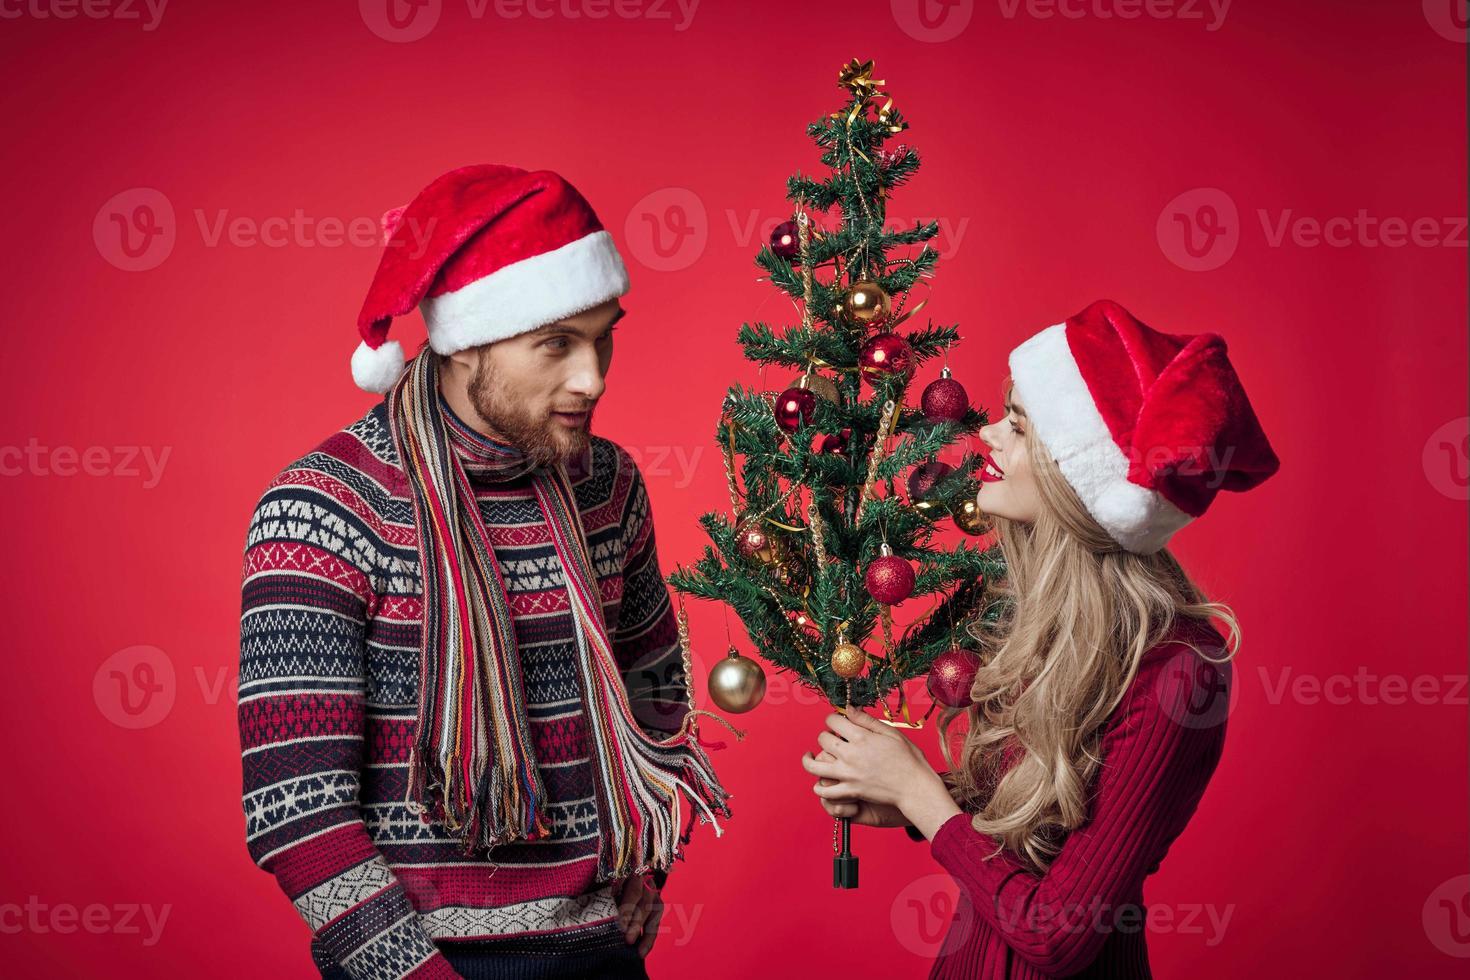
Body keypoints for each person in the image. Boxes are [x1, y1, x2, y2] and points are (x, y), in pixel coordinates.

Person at [238, 164, 731, 980]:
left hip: (600, 954)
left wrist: (644, 863)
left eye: (605, 334)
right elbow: (296, 816)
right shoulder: (326, 505)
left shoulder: (606, 483)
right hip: (418, 964)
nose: (594, 376)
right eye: (557, 345)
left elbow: (655, 694)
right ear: (466, 345)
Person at [801, 299, 1280, 978]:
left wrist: (925, 802)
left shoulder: (1179, 670)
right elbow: (1055, 830)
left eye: (1020, 425)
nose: (988, 435)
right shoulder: (1050, 626)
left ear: (1077, 479)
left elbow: (1056, 933)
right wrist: (922, 800)